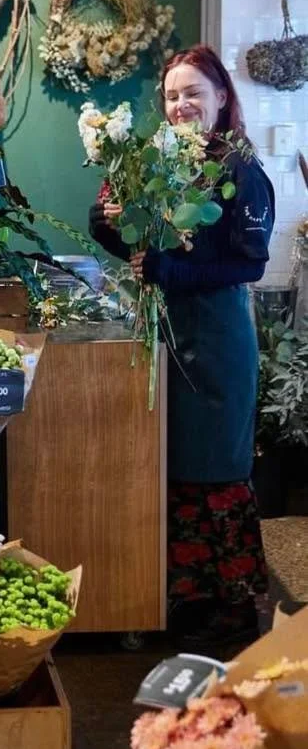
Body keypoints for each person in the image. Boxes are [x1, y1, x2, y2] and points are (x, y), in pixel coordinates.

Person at [88, 45, 275, 646]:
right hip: (164, 332)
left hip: (218, 339)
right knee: (164, 465)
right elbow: (118, 232)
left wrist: (166, 271)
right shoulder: (154, 161)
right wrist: (111, 222)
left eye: (193, 91)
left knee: (213, 466)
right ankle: (164, 601)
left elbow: (247, 264)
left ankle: (228, 611)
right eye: (172, 95)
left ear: (222, 96)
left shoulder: (243, 171)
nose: (181, 104)